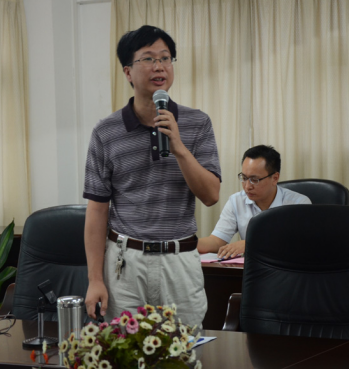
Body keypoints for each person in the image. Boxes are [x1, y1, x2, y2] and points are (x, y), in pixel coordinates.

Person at [83, 25, 221, 327]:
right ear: (128, 72)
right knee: (124, 348)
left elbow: (211, 195)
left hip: (180, 259)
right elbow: (97, 210)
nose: (159, 66)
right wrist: (95, 280)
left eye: (165, 58)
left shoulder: (197, 123)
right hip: (126, 263)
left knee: (185, 348)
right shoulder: (106, 132)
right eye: (148, 58)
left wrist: (179, 148)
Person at [197, 145, 311, 259]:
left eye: (254, 180)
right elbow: (216, 241)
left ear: (275, 178)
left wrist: (250, 243)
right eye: (244, 178)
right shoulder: (236, 201)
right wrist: (189, 244)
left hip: (287, 266)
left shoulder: (299, 204)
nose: (247, 187)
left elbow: (299, 244)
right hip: (251, 267)